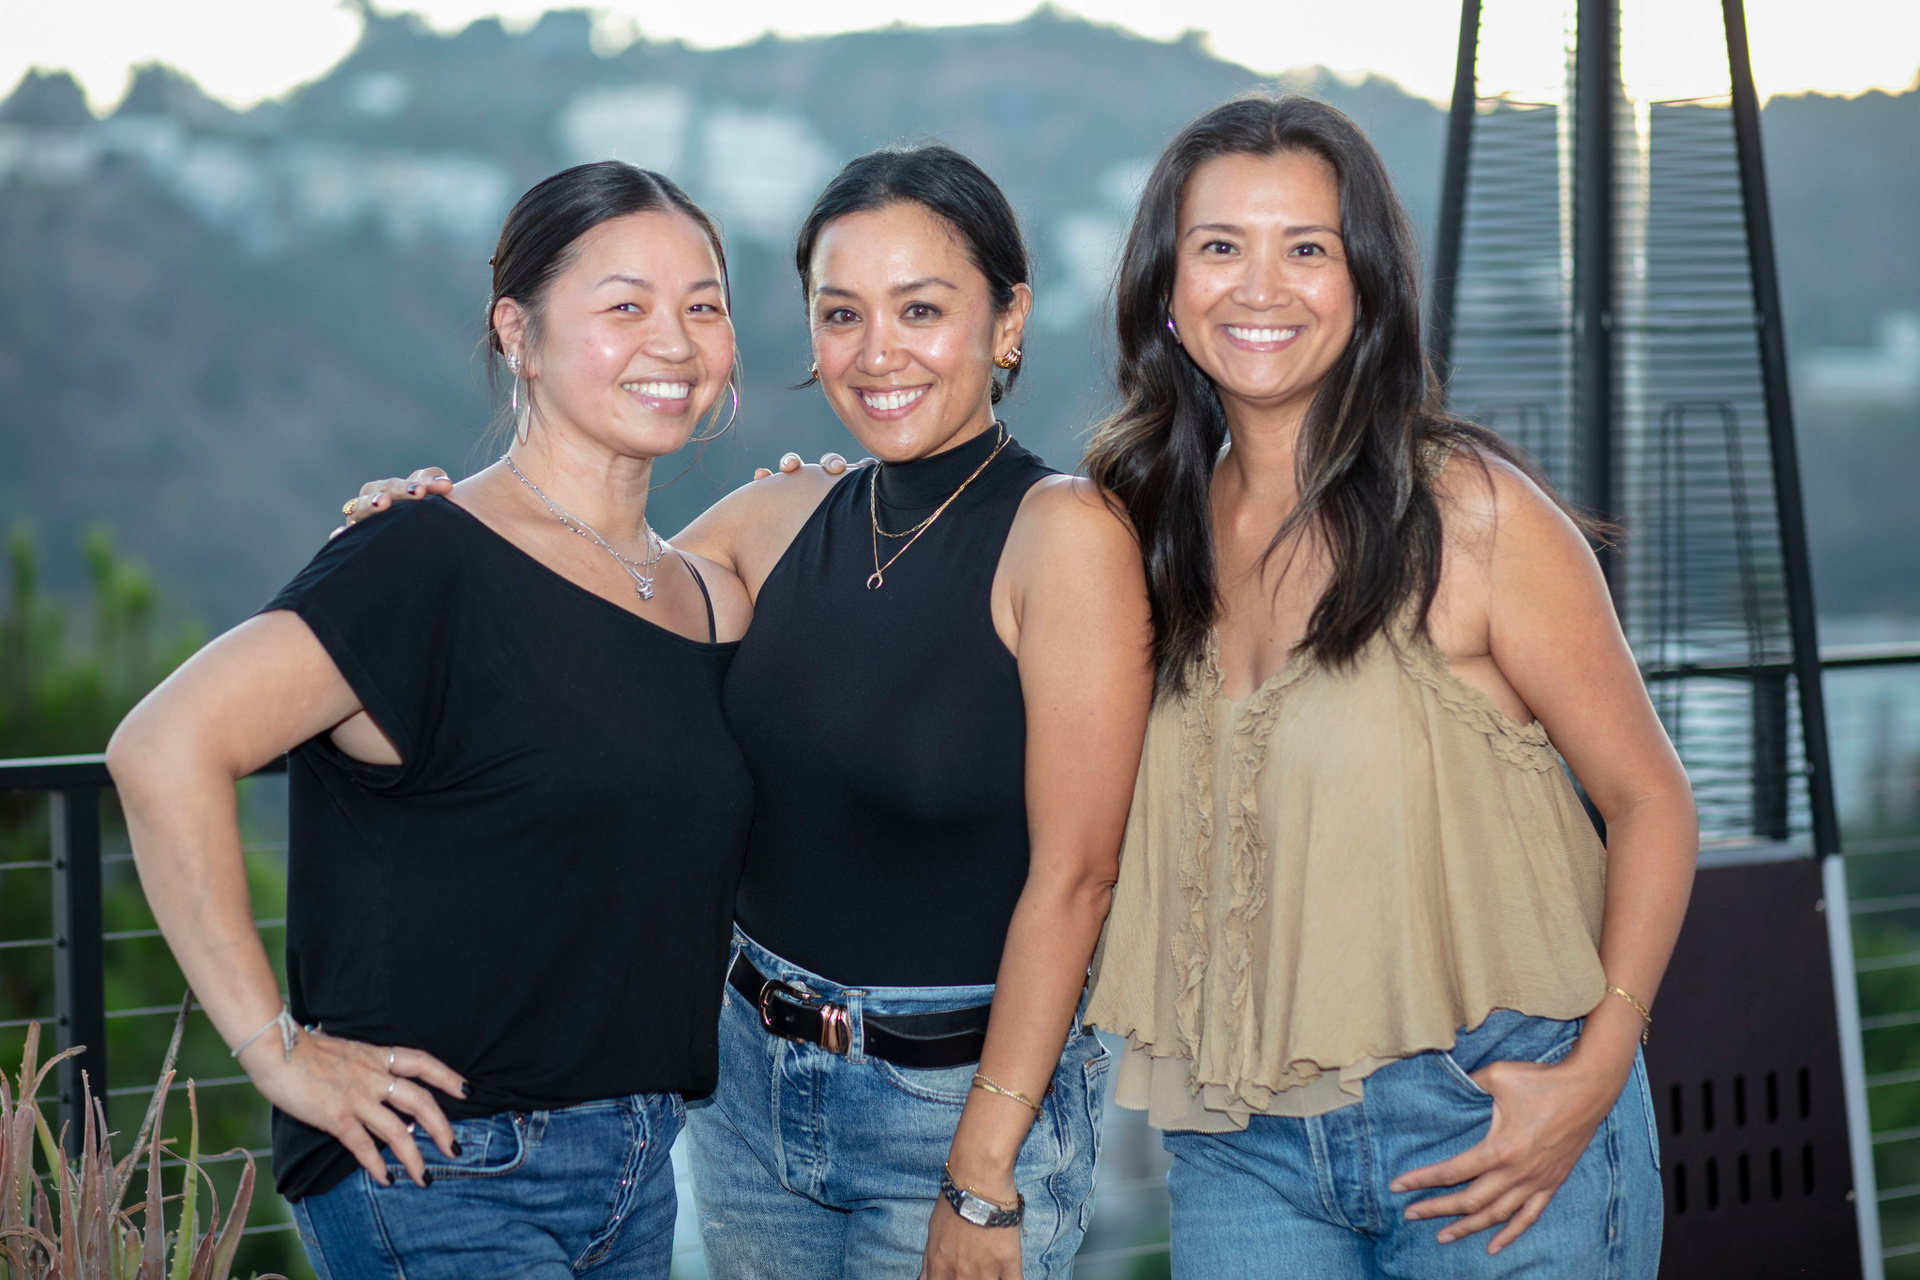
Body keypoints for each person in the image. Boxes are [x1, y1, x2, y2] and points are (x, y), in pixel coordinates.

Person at [344, 144, 1153, 1279]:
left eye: (921, 309)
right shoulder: (778, 516)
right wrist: (430, 528)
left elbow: (1078, 876)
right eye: (842, 313)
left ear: (1007, 321)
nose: (877, 352)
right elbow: (577, 597)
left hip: (949, 1105)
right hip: (746, 1093)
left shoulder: (1065, 535)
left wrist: (980, 1169)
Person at [1075, 94, 1696, 1278]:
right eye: (1221, 246)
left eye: (1307, 247)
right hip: (1242, 1138)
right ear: (1167, 287)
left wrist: (1597, 1069)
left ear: (1365, 285)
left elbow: (1651, 800)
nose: (1262, 287)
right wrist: (827, 497)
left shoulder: (1469, 511)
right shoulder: (1140, 530)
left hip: (1491, 1117)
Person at [106, 161, 754, 1280]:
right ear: (519, 332)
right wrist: (275, 1050)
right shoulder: (421, 556)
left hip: (642, 1170)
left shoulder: (707, 597)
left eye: (703, 305)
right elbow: (163, 747)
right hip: (442, 1169)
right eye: (625, 305)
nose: (675, 340)